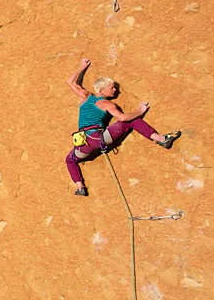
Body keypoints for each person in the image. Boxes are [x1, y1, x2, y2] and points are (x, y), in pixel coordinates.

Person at [65, 58, 180, 196]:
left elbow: (70, 82)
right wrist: (140, 111)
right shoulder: (107, 105)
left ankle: (80, 187)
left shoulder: (85, 97)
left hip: (81, 143)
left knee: (70, 159)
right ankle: (161, 139)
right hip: (98, 138)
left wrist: (82, 67)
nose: (115, 90)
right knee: (130, 121)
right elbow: (123, 118)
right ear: (101, 91)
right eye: (111, 88)